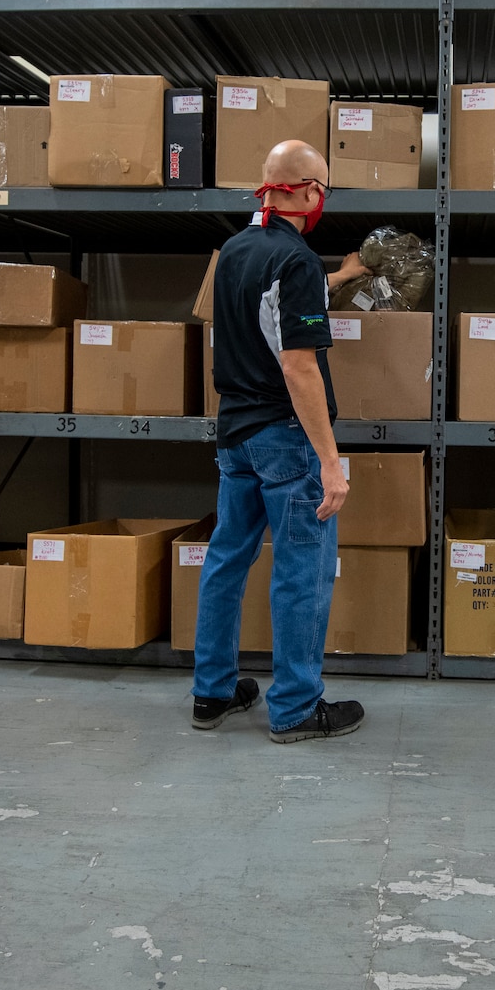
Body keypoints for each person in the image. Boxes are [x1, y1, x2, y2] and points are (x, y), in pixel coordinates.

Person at [190, 138, 368, 742]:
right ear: (312, 192)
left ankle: (212, 693)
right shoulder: (293, 263)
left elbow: (283, 293)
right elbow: (298, 366)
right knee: (301, 570)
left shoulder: (236, 251)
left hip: (234, 435)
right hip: (285, 441)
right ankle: (294, 707)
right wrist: (330, 461)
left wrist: (341, 275)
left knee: (226, 561)